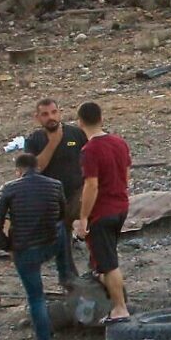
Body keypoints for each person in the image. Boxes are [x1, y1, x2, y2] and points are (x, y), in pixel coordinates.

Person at [0, 153, 66, 340]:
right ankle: (65, 272)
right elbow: (62, 214)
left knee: (36, 298)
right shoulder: (55, 185)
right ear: (37, 167)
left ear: (18, 170)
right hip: (49, 245)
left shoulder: (9, 188)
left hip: (25, 250)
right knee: (63, 229)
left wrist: (7, 246)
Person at [74, 102, 132, 324]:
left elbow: (92, 185)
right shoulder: (119, 142)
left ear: (80, 122)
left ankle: (120, 308)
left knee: (109, 263)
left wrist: (84, 217)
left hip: (102, 212)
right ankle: (111, 293)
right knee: (105, 257)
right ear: (101, 118)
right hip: (121, 206)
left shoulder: (89, 150)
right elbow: (126, 175)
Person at [25, 98, 86, 281]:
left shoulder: (76, 134)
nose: (50, 117)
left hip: (77, 193)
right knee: (61, 236)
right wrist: (53, 143)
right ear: (37, 118)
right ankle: (69, 278)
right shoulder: (34, 140)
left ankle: (99, 271)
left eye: (53, 112)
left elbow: (90, 161)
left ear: (60, 113)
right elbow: (34, 169)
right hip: (50, 199)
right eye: (45, 114)